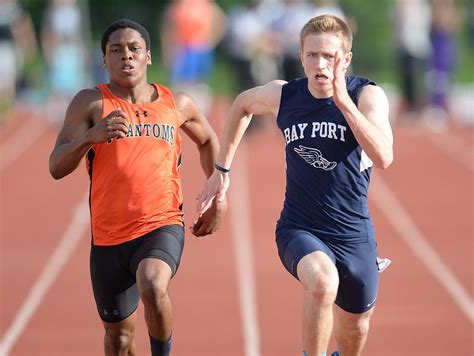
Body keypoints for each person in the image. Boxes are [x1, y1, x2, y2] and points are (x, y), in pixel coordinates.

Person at [197, 14, 393, 356]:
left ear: (345, 59)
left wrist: (343, 102)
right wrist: (221, 170)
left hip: (353, 234)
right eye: (312, 55)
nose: (321, 64)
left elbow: (384, 156)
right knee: (321, 283)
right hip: (300, 227)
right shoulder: (285, 95)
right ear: (301, 56)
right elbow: (242, 104)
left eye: (329, 56)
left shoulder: (367, 95)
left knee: (356, 327)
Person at [49, 19, 226, 356]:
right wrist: (90, 137)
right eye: (116, 50)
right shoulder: (89, 103)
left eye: (134, 49)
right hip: (108, 238)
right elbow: (56, 166)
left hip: (161, 224)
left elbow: (207, 141)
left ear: (148, 56)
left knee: (153, 283)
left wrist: (217, 193)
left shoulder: (177, 103)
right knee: (120, 341)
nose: (125, 56)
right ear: (104, 60)